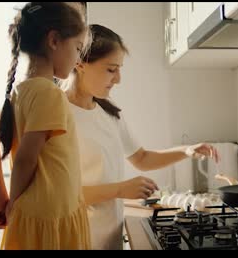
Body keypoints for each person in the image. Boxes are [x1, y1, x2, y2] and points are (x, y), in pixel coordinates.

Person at [65, 24, 219, 250]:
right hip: (73, 239)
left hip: (109, 237)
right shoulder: (57, 113)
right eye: (111, 69)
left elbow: (142, 158)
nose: (118, 79)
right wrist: (119, 190)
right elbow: (58, 196)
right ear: (79, 63)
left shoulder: (109, 113)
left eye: (119, 69)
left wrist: (186, 151)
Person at [0, 2, 91, 249]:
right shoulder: (48, 93)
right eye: (77, 47)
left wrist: (3, 197)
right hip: (50, 217)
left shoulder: (20, 92)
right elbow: (25, 159)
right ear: (54, 40)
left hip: (36, 216)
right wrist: (11, 203)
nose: (78, 58)